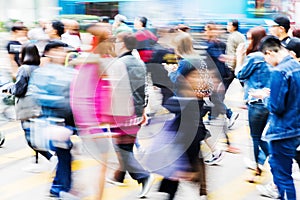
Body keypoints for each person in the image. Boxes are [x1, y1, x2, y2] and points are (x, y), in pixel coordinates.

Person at [107, 32, 154, 198]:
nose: (115, 44)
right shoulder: (139, 62)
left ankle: (143, 176)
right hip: (136, 111)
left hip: (122, 112)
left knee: (122, 149)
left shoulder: (119, 64)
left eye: (117, 41)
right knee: (125, 148)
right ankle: (119, 177)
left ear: (123, 44)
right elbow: (145, 89)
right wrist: (142, 111)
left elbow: (115, 91)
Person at [28, 41, 77, 198]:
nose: (62, 54)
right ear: (48, 53)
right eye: (57, 51)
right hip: (52, 119)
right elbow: (34, 94)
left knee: (65, 154)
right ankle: (60, 187)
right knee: (64, 153)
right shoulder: (42, 73)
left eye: (63, 51)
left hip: (66, 120)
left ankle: (59, 186)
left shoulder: (68, 72)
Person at [259, 35, 300, 200]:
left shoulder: (279, 71)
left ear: (269, 53)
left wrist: (264, 97)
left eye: (265, 58)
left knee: (283, 176)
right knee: (283, 172)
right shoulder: (296, 66)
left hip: (282, 131)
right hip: (296, 127)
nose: (267, 62)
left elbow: (276, 107)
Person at [8, 43, 56, 172]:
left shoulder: (24, 69)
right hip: (39, 105)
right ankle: (42, 160)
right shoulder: (40, 68)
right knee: (37, 134)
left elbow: (19, 90)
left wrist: (9, 89)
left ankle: (52, 158)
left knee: (30, 137)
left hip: (27, 107)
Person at [235, 26, 270, 182]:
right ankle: (266, 161)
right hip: (271, 101)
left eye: (249, 38)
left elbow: (240, 75)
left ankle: (258, 166)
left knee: (256, 137)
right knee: (265, 136)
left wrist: (239, 57)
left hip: (256, 103)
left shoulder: (254, 57)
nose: (247, 42)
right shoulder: (269, 55)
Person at [203, 21, 240, 153]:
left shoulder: (211, 45)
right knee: (214, 102)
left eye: (206, 29)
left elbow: (214, 62)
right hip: (218, 77)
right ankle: (215, 117)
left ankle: (230, 114)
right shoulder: (219, 43)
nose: (204, 32)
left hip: (213, 78)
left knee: (215, 101)